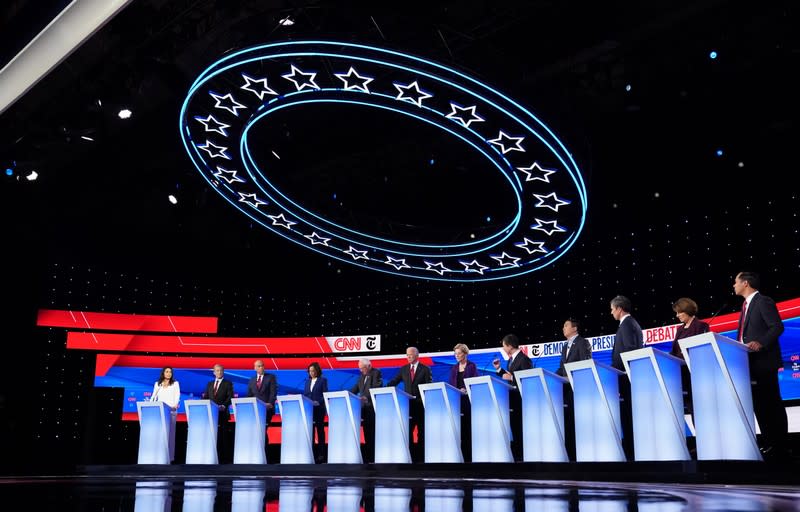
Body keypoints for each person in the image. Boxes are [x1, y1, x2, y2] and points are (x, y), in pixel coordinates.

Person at [734, 271, 787, 460]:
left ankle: (779, 446)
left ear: (745, 283)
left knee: (771, 404)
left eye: (736, 282)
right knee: (760, 406)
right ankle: (769, 443)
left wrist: (761, 342)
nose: (734, 285)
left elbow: (777, 326)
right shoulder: (745, 306)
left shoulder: (763, 301)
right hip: (749, 364)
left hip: (764, 362)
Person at [609, 295, 643, 460]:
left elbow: (629, 350)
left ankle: (631, 453)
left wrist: (615, 371)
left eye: (612, 309)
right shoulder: (629, 323)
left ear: (619, 308)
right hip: (626, 377)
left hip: (626, 378)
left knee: (629, 416)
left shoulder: (628, 324)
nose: (611, 313)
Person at [386, 346, 432, 462]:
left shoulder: (425, 369)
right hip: (408, 406)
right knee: (408, 431)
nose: (408, 357)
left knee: (422, 432)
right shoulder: (404, 369)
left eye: (411, 354)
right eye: (407, 355)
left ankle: (422, 458)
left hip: (421, 406)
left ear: (417, 355)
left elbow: (429, 386)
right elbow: (394, 381)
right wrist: (386, 388)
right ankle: (410, 457)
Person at [492, 333, 533, 461]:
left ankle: (523, 454)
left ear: (509, 346)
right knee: (514, 426)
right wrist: (499, 370)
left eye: (504, 346)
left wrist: (511, 377)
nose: (503, 348)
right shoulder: (511, 360)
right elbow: (509, 375)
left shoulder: (524, 359)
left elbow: (527, 378)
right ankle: (517, 454)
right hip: (513, 398)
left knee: (520, 426)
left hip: (521, 399)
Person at [669, 297, 710, 423]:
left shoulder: (701, 326)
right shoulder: (679, 329)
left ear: (687, 310)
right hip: (682, 374)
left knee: (701, 408)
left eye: (679, 312)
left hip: (696, 373)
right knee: (690, 406)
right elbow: (674, 350)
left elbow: (704, 350)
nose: (677, 315)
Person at [556, 319, 592, 461]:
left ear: (575, 328)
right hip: (566, 390)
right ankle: (570, 453)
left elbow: (585, 363)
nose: (563, 328)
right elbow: (561, 368)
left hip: (579, 389)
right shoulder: (565, 347)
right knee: (569, 420)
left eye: (566, 325)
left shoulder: (583, 343)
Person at [449, 343, 478, 462]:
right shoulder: (454, 368)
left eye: (459, 353)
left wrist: (467, 389)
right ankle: (460, 456)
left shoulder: (472, 366)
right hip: (457, 401)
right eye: (455, 354)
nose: (457, 356)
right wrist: (456, 391)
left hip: (468, 401)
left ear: (465, 354)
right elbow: (451, 384)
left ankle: (469, 456)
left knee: (468, 428)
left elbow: (475, 381)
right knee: (459, 428)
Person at [350, 358, 383, 463]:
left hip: (372, 408)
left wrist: (366, 397)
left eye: (362, 368)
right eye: (359, 369)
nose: (361, 370)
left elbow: (376, 387)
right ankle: (368, 458)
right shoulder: (361, 377)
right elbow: (355, 389)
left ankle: (374, 457)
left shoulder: (376, 373)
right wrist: (346, 394)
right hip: (364, 409)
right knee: (366, 433)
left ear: (369, 366)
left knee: (372, 433)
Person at [246, 359, 277, 458]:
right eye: (259, 366)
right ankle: (258, 453)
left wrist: (270, 403)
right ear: (254, 368)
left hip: (267, 409)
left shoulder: (271, 377)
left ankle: (266, 455)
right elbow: (249, 395)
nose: (261, 367)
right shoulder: (251, 380)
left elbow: (273, 392)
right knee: (257, 431)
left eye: (262, 365)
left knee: (263, 430)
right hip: (255, 411)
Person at [150, 366, 180, 462]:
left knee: (170, 435)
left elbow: (177, 395)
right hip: (159, 411)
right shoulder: (157, 384)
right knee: (160, 434)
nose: (168, 373)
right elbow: (153, 396)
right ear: (163, 373)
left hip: (171, 411)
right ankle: (158, 455)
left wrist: (175, 405)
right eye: (167, 372)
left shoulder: (175, 384)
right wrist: (150, 404)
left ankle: (170, 457)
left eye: (170, 372)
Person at [205, 363, 234, 463]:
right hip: (211, 415)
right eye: (217, 370)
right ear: (214, 372)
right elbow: (206, 398)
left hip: (222, 413)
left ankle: (223, 460)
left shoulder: (228, 383)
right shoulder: (209, 384)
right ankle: (212, 457)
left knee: (223, 437)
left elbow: (230, 397)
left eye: (221, 370)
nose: (219, 372)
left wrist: (224, 405)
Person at [303, 362, 329, 463]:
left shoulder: (323, 380)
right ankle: (312, 454)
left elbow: (325, 394)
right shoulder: (307, 382)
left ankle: (321, 454)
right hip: (309, 410)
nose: (311, 373)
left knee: (320, 431)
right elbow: (305, 394)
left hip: (319, 409)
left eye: (313, 371)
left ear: (317, 371)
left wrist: (318, 402)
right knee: (311, 432)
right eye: (310, 371)